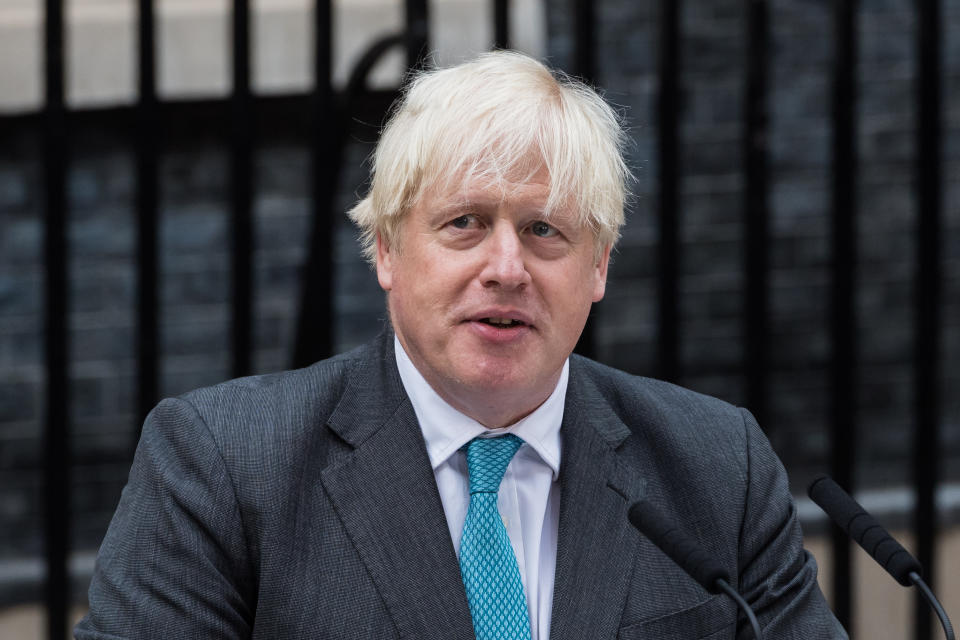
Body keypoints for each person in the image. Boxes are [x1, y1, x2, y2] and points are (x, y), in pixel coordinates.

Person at [76, 51, 846, 639]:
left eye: (545, 230)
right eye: (464, 224)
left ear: (599, 265)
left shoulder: (716, 467)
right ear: (385, 249)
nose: (505, 269)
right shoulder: (225, 466)